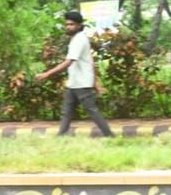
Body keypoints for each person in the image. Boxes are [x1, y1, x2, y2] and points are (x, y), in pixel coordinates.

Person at [36, 10, 115, 138]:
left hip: (82, 84)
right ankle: (60, 136)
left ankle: (110, 136)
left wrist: (47, 74)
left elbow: (68, 62)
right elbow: (90, 61)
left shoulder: (79, 40)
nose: (68, 27)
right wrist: (94, 81)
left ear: (79, 25)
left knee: (92, 111)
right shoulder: (77, 39)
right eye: (67, 24)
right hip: (74, 83)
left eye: (72, 24)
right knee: (66, 112)